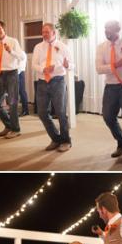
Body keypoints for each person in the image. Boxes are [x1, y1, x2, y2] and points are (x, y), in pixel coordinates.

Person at [95, 20, 122, 164]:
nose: (106, 31)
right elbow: (99, 69)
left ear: (118, 29)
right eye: (105, 29)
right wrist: (115, 65)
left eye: (109, 29)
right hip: (111, 86)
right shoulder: (101, 47)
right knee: (108, 116)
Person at [32, 22, 74, 151]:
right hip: (42, 82)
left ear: (54, 33)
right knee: (42, 113)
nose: (44, 34)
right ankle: (56, 139)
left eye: (47, 32)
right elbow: (34, 64)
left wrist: (67, 65)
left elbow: (72, 65)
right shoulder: (38, 47)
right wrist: (43, 69)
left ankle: (66, 141)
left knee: (61, 112)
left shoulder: (63, 47)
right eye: (43, 32)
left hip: (58, 81)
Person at [0, 20, 24, 138]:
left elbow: (21, 57)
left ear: (4, 29)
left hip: (11, 74)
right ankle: (9, 125)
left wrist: (10, 51)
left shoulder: (13, 41)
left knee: (12, 102)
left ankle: (16, 129)